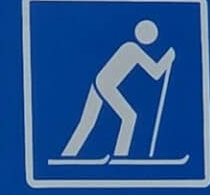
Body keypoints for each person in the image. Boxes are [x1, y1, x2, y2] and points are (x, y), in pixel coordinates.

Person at [60, 19, 174, 161]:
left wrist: (167, 60)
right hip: (105, 85)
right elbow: (156, 72)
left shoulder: (130, 47)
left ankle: (67, 155)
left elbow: (155, 73)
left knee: (87, 122)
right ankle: (121, 156)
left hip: (98, 83)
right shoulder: (132, 49)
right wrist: (168, 58)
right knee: (129, 117)